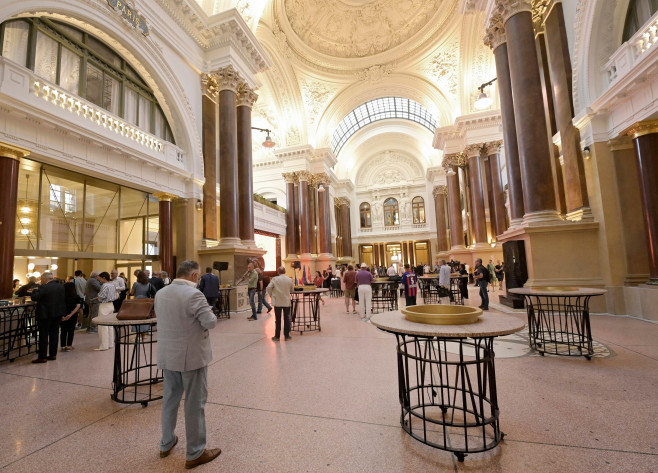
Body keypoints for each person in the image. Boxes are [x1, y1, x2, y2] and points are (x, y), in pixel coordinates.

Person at [155, 260, 221, 469]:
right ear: (194, 275)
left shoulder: (161, 293)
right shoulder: (194, 295)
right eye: (198, 276)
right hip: (191, 357)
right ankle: (195, 452)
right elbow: (209, 322)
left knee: (170, 400)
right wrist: (210, 312)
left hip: (168, 356)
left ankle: (166, 443)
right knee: (194, 404)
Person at [30, 272, 66, 363]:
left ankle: (42, 356)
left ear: (45, 279)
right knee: (54, 334)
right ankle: (53, 355)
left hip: (45, 314)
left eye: (41, 279)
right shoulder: (60, 286)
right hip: (57, 314)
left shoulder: (44, 287)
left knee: (43, 335)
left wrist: (35, 289)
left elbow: (34, 297)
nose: (41, 281)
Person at [267, 266, 294, 341]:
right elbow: (292, 290)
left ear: (278, 272)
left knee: (277, 319)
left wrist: (272, 295)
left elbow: (269, 287)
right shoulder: (289, 280)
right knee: (286, 319)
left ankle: (277, 336)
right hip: (286, 301)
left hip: (277, 302)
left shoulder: (275, 279)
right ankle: (287, 336)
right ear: (285, 271)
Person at [94, 272, 117, 351]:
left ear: (103, 278)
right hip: (111, 305)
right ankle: (110, 343)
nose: (99, 280)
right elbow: (115, 295)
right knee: (110, 326)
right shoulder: (112, 285)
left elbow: (101, 296)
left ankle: (104, 345)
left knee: (103, 326)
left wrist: (98, 297)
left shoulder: (104, 285)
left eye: (100, 278)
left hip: (104, 306)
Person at [60, 280, 81, 351]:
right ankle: (69, 345)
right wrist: (71, 314)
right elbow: (78, 306)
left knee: (63, 331)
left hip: (63, 315)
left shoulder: (62, 296)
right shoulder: (76, 296)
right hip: (73, 315)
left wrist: (63, 315)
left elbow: (59, 306)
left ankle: (63, 346)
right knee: (71, 330)